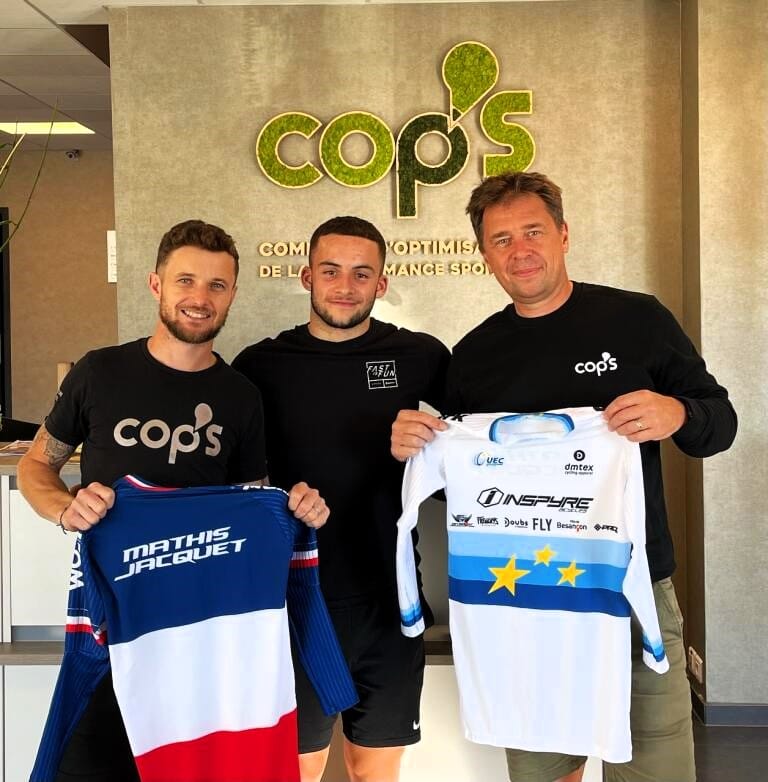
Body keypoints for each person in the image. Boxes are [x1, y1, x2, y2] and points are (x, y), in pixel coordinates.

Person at [391, 172, 737, 782]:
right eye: (501, 239)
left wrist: (677, 413)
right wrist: (417, 451)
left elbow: (721, 422)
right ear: (484, 253)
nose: (519, 251)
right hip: (521, 596)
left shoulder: (637, 321)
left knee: (656, 768)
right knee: (542, 770)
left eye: (533, 232)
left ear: (564, 234)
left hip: (628, 586)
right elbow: (460, 488)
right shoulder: (474, 356)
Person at [18, 219, 329, 782]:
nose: (199, 297)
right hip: (114, 612)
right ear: (156, 284)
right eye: (186, 280)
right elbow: (37, 463)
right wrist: (65, 508)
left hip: (200, 628)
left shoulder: (241, 397)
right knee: (88, 764)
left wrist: (295, 511)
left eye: (216, 285)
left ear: (232, 294)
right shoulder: (99, 372)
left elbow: (253, 505)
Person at [233, 216, 450, 782]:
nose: (345, 286)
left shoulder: (421, 356)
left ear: (382, 283)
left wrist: (428, 448)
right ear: (307, 276)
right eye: (330, 271)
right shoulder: (259, 366)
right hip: (292, 600)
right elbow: (233, 481)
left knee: (374, 771)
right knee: (295, 770)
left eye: (361, 273)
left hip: (390, 599)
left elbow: (472, 458)